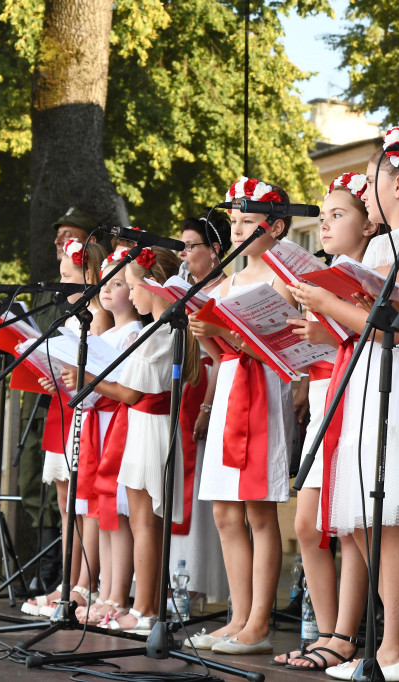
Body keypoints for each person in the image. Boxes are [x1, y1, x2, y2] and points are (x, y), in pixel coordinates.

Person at [292, 134, 399, 680]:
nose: (366, 194)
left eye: (372, 180)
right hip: (366, 378)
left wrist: (329, 303)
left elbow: (397, 326)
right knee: (365, 522)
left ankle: (396, 647)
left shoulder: (397, 245)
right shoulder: (392, 244)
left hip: (390, 380)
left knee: (387, 517)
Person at [273, 173, 380, 671]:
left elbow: (377, 334)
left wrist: (322, 326)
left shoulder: (369, 271)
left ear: (367, 224)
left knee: (349, 522)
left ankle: (343, 635)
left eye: (339, 215)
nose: (326, 224)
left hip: (354, 395)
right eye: (323, 217)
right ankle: (327, 630)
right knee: (309, 522)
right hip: (322, 394)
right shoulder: (323, 274)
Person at [62, 246, 200, 633]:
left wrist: (91, 380)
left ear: (153, 287)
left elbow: (131, 393)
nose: (132, 295)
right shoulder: (160, 330)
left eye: (133, 287)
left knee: (144, 522)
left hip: (149, 429)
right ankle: (145, 604)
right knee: (143, 521)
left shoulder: (158, 333)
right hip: (142, 428)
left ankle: (145, 608)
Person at [186, 177, 296, 656]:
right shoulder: (227, 281)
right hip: (232, 386)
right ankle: (236, 615)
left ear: (275, 226)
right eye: (233, 221)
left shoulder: (282, 280)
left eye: (248, 221)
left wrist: (223, 334)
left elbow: (283, 350)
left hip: (264, 391)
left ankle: (258, 621)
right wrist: (205, 333)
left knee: (259, 510)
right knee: (225, 511)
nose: (237, 229)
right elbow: (221, 351)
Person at [22, 238, 112, 616]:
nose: (60, 284)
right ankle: (66, 582)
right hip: (64, 410)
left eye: (67, 276)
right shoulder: (68, 316)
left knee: (85, 501)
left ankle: (83, 586)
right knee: (65, 504)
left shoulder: (100, 315)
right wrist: (52, 377)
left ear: (89, 275)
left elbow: (102, 370)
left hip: (90, 414)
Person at [70, 251, 142, 625]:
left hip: (119, 424)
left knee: (119, 514)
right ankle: (106, 590)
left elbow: (122, 386)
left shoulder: (133, 334)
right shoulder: (108, 333)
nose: (109, 289)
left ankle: (119, 594)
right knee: (105, 512)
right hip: (100, 425)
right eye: (107, 283)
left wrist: (86, 383)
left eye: (118, 283)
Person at [169, 213, 232, 609]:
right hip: (181, 393)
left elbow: (221, 355)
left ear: (215, 251)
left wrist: (207, 405)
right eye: (183, 246)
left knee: (205, 501)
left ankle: (193, 585)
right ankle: (171, 583)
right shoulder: (182, 292)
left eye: (192, 245)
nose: (185, 253)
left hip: (214, 393)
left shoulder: (226, 289)